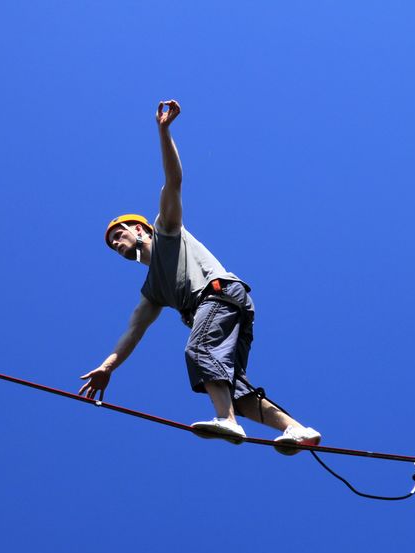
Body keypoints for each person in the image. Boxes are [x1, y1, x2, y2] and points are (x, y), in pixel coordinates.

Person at [79, 99, 321, 455]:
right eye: (111, 243)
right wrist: (106, 367)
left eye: (118, 234)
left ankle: (227, 422)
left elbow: (173, 180)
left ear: (139, 229)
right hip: (228, 310)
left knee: (199, 349)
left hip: (220, 296)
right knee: (233, 389)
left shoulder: (166, 229)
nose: (116, 243)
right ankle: (298, 430)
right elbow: (132, 333)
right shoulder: (151, 293)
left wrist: (163, 132)